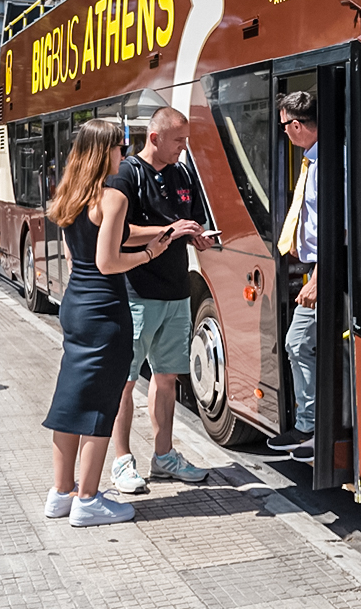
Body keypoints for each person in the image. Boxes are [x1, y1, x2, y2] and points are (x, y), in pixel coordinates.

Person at [41, 118, 171, 527]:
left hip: (75, 304)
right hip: (104, 308)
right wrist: (151, 254)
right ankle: (88, 499)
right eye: (120, 147)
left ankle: (60, 494)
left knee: (71, 400)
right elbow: (108, 260)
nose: (125, 154)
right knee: (102, 404)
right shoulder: (113, 195)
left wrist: (157, 235)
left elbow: (84, 250)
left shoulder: (68, 195)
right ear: (106, 151)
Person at [110, 107, 213, 493]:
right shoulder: (128, 174)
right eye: (178, 140)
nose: (184, 148)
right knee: (125, 380)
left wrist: (197, 235)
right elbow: (119, 230)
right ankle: (122, 462)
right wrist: (172, 229)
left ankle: (164, 456)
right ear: (154, 138)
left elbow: (194, 219)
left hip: (177, 291)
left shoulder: (183, 173)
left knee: (167, 378)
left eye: (185, 140)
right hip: (138, 292)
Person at [269, 91, 320, 464]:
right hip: (315, 269)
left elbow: (339, 227)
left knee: (297, 343)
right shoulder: (314, 161)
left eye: (285, 126)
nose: (284, 132)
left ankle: (311, 426)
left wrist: (318, 279)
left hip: (326, 272)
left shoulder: (326, 164)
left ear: (297, 125)